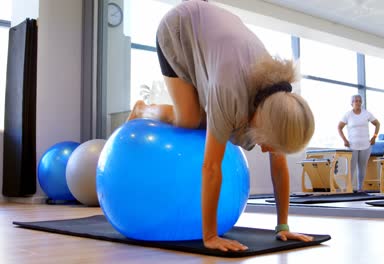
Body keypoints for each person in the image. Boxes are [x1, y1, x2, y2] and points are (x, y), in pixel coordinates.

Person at [127, 0, 315, 252]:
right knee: (191, 120)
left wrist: (283, 226)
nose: (264, 150)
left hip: (216, 39)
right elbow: (211, 167)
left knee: (216, 123)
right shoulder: (229, 92)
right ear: (263, 120)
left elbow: (279, 167)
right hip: (181, 28)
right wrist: (210, 237)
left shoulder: (279, 103)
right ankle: (143, 109)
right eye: (269, 144)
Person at [337, 94, 380, 192]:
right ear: (351, 103)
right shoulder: (348, 115)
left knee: (362, 168)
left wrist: (374, 137)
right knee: (351, 168)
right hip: (352, 146)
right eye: (355, 101)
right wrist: (344, 140)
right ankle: (348, 188)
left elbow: (377, 123)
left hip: (365, 146)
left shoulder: (366, 113)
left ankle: (360, 188)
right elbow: (339, 127)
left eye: (359, 101)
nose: (358, 103)